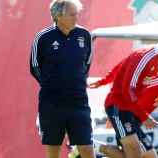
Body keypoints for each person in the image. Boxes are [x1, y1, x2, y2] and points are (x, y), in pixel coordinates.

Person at [30, 0, 95, 158]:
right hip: (52, 104)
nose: (76, 18)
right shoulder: (43, 37)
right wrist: (52, 86)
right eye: (72, 14)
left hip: (79, 102)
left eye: (76, 14)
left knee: (87, 147)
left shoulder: (84, 35)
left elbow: (87, 63)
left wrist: (76, 83)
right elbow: (34, 66)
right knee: (54, 150)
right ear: (58, 16)